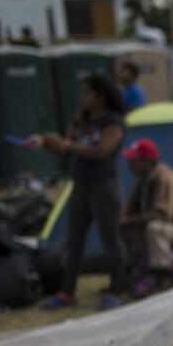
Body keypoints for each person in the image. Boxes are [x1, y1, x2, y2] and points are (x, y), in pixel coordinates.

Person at [36, 73, 128, 310]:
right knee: (74, 241)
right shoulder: (80, 119)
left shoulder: (113, 122)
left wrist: (69, 145)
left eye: (87, 92)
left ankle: (116, 290)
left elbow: (102, 151)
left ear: (101, 95)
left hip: (104, 187)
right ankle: (67, 292)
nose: (82, 97)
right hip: (80, 187)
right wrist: (47, 143)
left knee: (111, 241)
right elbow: (66, 152)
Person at [119, 137, 173, 290]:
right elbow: (129, 211)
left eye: (134, 160)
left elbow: (162, 216)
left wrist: (128, 220)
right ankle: (127, 271)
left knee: (155, 228)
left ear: (146, 161)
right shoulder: (143, 181)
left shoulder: (165, 178)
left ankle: (162, 274)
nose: (129, 164)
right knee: (123, 229)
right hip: (167, 230)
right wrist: (123, 220)